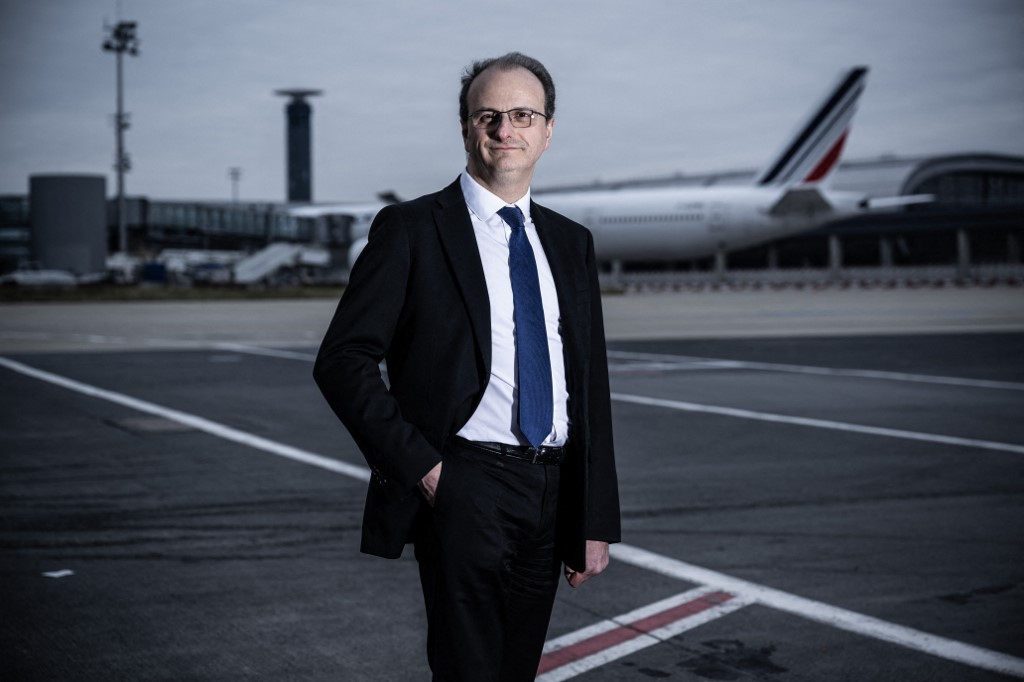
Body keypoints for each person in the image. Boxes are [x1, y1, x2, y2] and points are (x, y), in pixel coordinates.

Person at [313, 51, 620, 682]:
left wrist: (595, 520)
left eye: (523, 115)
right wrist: (426, 472)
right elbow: (343, 360)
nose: (506, 129)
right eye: (488, 116)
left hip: (552, 487)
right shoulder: (412, 229)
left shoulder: (570, 242)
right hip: (464, 482)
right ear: (466, 129)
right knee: (468, 672)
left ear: (547, 130)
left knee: (515, 670)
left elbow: (589, 387)